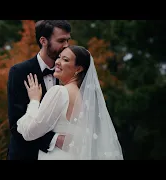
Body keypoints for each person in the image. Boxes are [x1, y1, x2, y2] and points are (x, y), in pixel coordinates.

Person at [17, 45, 124, 160]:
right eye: (59, 57)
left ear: (78, 69)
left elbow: (29, 133)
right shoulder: (87, 101)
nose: (58, 62)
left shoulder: (59, 92)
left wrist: (34, 101)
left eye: (65, 60)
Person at [7, 20, 72, 160]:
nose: (66, 46)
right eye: (61, 41)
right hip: (25, 155)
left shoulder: (70, 73)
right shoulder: (19, 72)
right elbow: (15, 125)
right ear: (43, 41)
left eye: (68, 40)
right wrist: (55, 140)